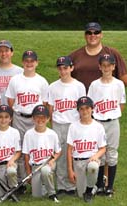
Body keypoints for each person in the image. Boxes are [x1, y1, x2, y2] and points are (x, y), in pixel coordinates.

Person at [5, 50, 49, 191]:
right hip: (19, 117)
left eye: (32, 61)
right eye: (26, 60)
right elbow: (11, 101)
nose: (29, 63)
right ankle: (20, 182)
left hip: (36, 119)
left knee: (36, 148)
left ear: (37, 63)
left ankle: (38, 180)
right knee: (19, 149)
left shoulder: (42, 81)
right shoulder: (15, 80)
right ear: (22, 62)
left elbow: (45, 103)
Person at [88, 54, 126, 197]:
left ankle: (109, 186)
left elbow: (122, 104)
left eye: (109, 65)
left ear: (113, 67)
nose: (106, 68)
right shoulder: (94, 85)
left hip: (112, 121)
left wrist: (112, 115)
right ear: (99, 67)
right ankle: (99, 185)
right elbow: (90, 105)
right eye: (103, 65)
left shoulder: (118, 84)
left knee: (112, 153)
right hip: (98, 121)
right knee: (99, 153)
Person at [47, 56, 86, 197]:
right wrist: (53, 124)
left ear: (71, 68)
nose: (63, 71)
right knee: (60, 154)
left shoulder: (79, 86)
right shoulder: (53, 86)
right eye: (60, 68)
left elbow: (83, 107)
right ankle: (62, 186)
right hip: (58, 123)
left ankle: (73, 184)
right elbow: (50, 108)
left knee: (74, 154)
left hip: (73, 124)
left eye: (65, 68)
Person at [69, 22, 127, 92]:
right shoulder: (74, 56)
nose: (92, 35)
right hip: (81, 101)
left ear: (101, 35)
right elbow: (64, 80)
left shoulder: (112, 53)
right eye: (89, 33)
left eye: (96, 32)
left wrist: (110, 93)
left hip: (105, 101)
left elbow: (125, 81)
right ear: (85, 35)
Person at [67, 96, 106, 203]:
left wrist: (96, 156)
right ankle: (94, 186)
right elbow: (69, 150)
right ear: (78, 111)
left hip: (91, 160)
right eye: (82, 109)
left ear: (92, 108)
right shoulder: (73, 126)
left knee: (93, 167)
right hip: (78, 162)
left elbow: (103, 148)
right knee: (80, 194)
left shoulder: (98, 126)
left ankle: (89, 191)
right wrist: (70, 170)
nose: (85, 111)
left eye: (87, 108)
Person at [22, 105, 61, 202]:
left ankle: (52, 194)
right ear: (33, 118)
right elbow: (26, 155)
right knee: (37, 196)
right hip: (35, 166)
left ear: (48, 119)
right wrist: (28, 173)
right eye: (37, 117)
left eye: (43, 117)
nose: (40, 120)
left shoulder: (52, 134)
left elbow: (58, 151)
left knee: (45, 171)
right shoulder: (28, 134)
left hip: (48, 164)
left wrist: (53, 160)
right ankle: (44, 186)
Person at [0, 40, 23, 105]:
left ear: (12, 53)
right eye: (0, 51)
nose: (3, 54)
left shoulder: (20, 72)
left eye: (6, 51)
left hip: (15, 112)